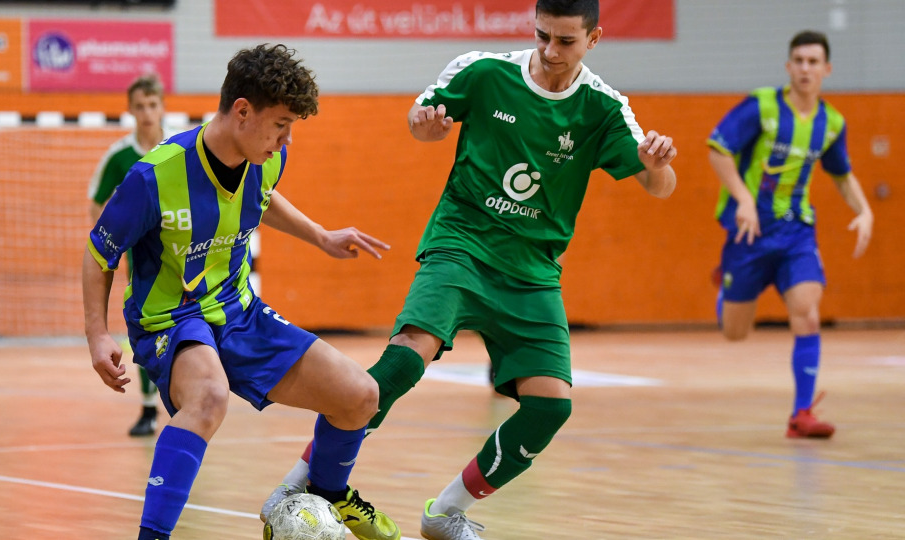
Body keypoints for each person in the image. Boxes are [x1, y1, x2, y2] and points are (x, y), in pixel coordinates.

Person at [260, 2, 678, 538]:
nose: (551, 51)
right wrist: (427, 127)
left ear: (593, 39)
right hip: (461, 246)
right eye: (542, 36)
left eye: (566, 42)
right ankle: (298, 486)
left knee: (550, 408)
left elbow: (659, 186)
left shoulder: (602, 108)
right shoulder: (485, 72)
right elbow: (420, 122)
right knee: (406, 361)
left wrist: (657, 164)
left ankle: (445, 512)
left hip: (533, 272)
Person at [82, 44, 401, 540]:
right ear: (243, 111)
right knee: (209, 397)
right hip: (170, 318)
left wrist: (321, 235)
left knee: (361, 396)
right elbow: (99, 253)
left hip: (238, 311)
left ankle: (328, 497)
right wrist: (97, 334)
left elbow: (262, 198)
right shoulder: (155, 175)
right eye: (280, 124)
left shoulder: (268, 157)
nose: (286, 138)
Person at [708, 30, 873, 439]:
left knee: (808, 313)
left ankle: (801, 413)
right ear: (788, 66)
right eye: (798, 61)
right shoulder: (762, 105)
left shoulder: (831, 123)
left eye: (813, 62)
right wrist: (744, 199)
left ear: (826, 69)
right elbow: (717, 149)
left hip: (797, 233)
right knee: (735, 333)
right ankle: (725, 288)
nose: (805, 68)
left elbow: (841, 174)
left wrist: (865, 210)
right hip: (750, 232)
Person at [87, 73, 169, 437]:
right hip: (142, 257)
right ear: (131, 110)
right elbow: (96, 205)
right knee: (147, 325)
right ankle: (150, 408)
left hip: (185, 252)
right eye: (140, 106)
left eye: (153, 105)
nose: (147, 112)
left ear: (163, 106)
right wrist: (111, 246)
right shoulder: (120, 157)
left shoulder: (182, 147)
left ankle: (191, 400)